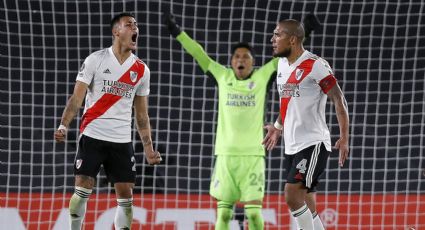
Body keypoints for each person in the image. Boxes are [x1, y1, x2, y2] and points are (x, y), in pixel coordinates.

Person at [164, 13, 278, 230]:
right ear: (231, 62)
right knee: (223, 216)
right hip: (225, 156)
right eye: (237, 56)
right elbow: (199, 53)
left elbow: (283, 57)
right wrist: (177, 32)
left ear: (253, 62)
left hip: (253, 156)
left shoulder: (262, 77)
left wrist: (304, 33)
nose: (241, 60)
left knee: (254, 216)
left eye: (246, 57)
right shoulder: (222, 76)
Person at [54, 12, 162, 230]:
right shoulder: (95, 59)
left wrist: (149, 148)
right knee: (81, 191)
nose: (135, 28)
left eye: (136, 25)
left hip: (121, 140)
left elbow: (141, 115)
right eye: (129, 25)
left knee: (126, 198)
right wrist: (63, 125)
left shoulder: (142, 70)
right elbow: (77, 98)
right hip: (92, 135)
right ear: (116, 31)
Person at [263, 19, 349, 230]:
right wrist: (277, 126)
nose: (272, 39)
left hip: (313, 143)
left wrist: (344, 137)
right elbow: (288, 101)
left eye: (277, 35)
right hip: (292, 146)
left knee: (292, 196)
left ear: (292, 39)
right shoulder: (282, 64)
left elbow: (339, 98)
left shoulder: (315, 65)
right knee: (308, 205)